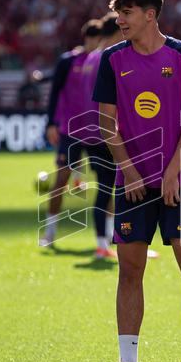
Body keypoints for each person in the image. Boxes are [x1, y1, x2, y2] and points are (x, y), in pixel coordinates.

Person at [92, 0, 181, 362]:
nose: (119, 20)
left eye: (126, 12)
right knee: (129, 270)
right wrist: (128, 171)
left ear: (150, 14)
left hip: (179, 182)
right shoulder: (111, 59)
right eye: (118, 13)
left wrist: (173, 173)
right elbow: (106, 124)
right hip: (132, 184)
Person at [42, 16, 119, 259]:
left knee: (107, 184)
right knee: (62, 179)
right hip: (71, 130)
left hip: (91, 130)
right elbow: (55, 92)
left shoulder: (94, 59)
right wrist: (51, 122)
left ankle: (106, 237)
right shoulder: (70, 61)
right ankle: (50, 231)